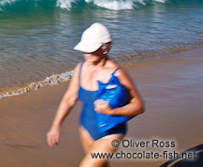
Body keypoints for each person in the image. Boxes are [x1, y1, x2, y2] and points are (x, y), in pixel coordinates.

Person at [46, 23, 145, 167]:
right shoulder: (80, 68)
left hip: (111, 133)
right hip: (86, 129)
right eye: (85, 48)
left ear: (106, 47)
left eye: (90, 48)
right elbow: (69, 99)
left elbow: (139, 106)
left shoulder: (117, 74)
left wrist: (112, 111)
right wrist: (55, 126)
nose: (86, 52)